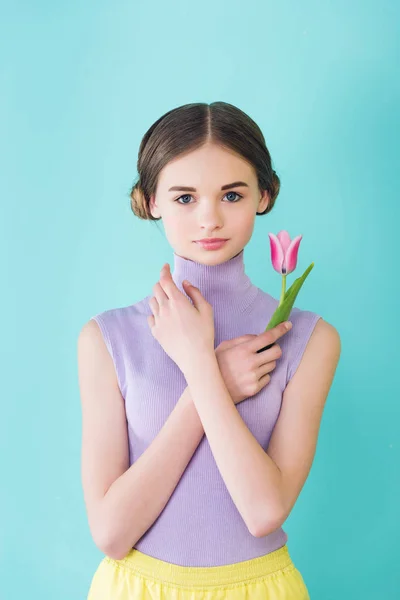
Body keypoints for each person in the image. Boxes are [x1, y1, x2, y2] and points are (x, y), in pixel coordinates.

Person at [77, 101, 341, 599]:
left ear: (265, 195)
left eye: (232, 194)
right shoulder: (106, 339)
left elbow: (264, 512)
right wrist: (212, 378)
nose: (209, 219)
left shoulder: (309, 339)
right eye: (184, 198)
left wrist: (200, 367)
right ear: (150, 200)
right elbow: (111, 534)